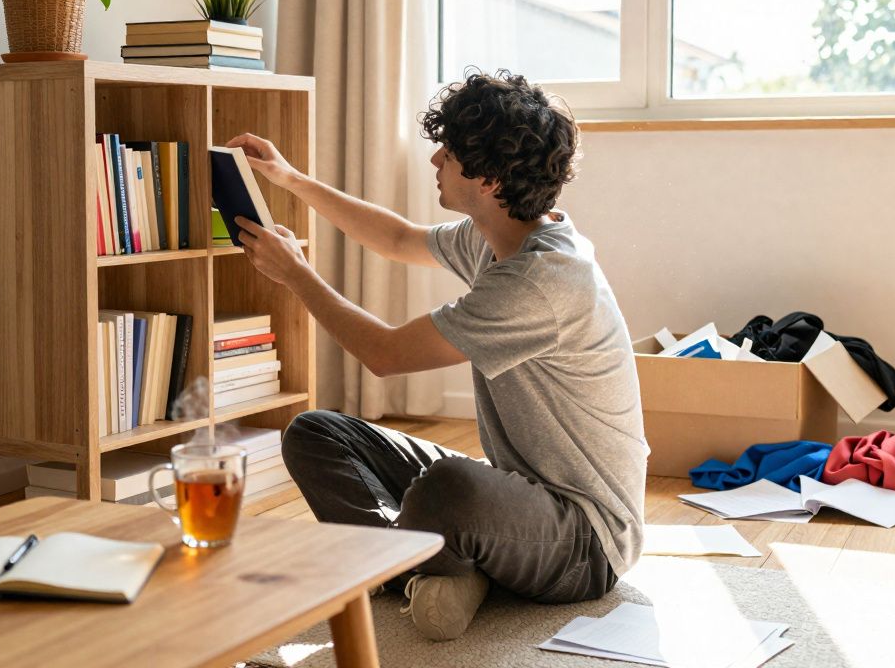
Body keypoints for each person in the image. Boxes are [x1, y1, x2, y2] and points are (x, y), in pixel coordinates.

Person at [226, 70, 646, 641]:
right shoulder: (497, 234)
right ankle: (428, 563)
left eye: (448, 152)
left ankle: (413, 560)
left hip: (583, 544)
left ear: (492, 178)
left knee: (451, 485)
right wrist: (291, 178)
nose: (434, 161)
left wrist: (295, 274)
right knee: (315, 432)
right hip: (517, 497)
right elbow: (398, 239)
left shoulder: (541, 279)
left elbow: (384, 353)